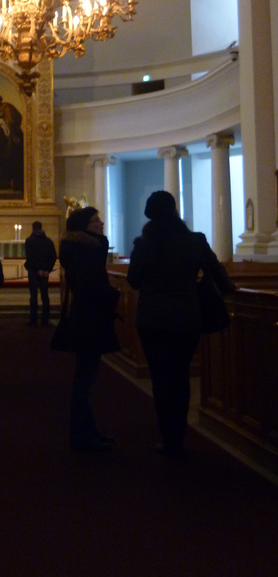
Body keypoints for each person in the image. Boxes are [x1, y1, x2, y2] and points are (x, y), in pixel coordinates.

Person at [127, 190, 235, 456]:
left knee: (161, 378)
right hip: (187, 317)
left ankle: (169, 437)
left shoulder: (144, 244)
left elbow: (133, 281)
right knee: (181, 375)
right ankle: (180, 434)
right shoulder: (195, 241)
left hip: (152, 318)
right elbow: (221, 278)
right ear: (175, 210)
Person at [59, 207, 121, 451]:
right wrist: (112, 295)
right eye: (96, 221)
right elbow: (91, 283)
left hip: (87, 315)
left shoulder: (83, 248)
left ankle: (86, 430)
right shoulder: (87, 250)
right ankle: (82, 434)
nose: (101, 223)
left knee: (85, 377)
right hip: (89, 318)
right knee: (85, 379)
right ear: (84, 226)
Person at [24, 221, 57, 326]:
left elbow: (29, 257)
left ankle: (33, 320)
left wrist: (37, 269)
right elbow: (53, 256)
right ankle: (45, 320)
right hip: (45, 272)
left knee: (33, 296)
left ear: (33, 229)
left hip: (34, 271)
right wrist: (47, 270)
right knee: (45, 295)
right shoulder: (48, 241)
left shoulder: (29, 241)